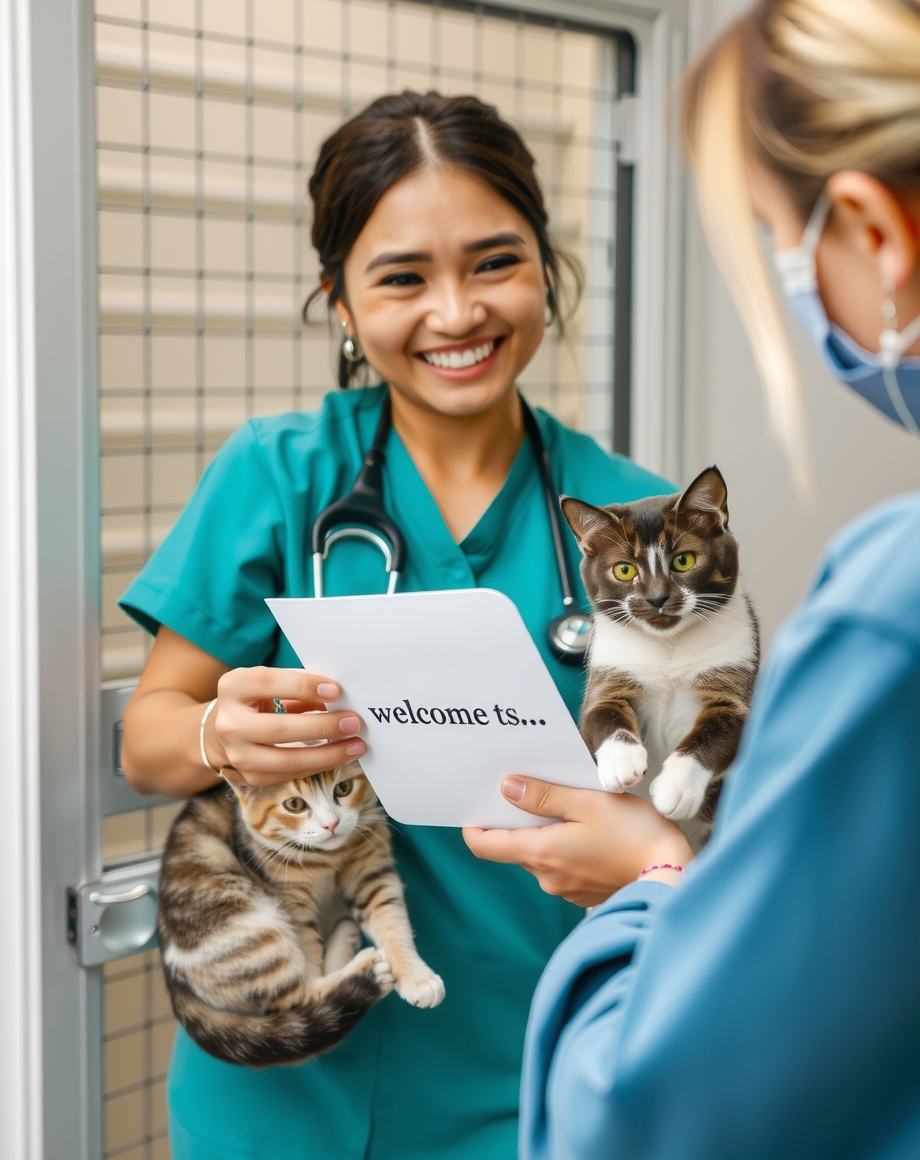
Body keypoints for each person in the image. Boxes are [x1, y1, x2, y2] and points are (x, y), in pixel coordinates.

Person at [118, 91, 671, 1160]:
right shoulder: (278, 475)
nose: (456, 313)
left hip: (547, 1067)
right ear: (340, 301)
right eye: (403, 276)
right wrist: (212, 735)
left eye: (494, 261)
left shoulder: (634, 516)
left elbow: (707, 795)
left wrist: (659, 845)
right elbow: (148, 740)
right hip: (291, 1088)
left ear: (545, 269)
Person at [463, 1, 920, 1157]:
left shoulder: (891, 602)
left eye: (775, 232)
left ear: (872, 231)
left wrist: (652, 880)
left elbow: (645, 1110)